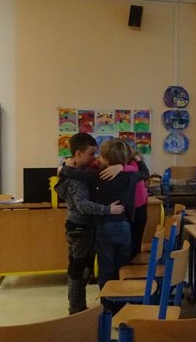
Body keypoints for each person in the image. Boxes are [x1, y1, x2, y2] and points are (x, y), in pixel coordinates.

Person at [54, 133, 124, 315]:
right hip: (80, 228)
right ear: (78, 154)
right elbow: (83, 205)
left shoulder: (76, 171)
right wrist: (108, 209)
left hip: (80, 226)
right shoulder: (77, 178)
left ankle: (78, 307)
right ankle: (76, 310)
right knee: (79, 270)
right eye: (91, 154)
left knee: (81, 268)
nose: (94, 158)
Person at [91, 138, 149, 304]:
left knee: (106, 267)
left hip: (105, 225)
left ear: (106, 158)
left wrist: (64, 168)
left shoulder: (97, 175)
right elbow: (144, 173)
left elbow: (78, 173)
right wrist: (129, 164)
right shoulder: (130, 175)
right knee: (122, 266)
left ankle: (107, 305)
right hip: (124, 224)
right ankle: (121, 302)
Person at [126, 146, 150, 259]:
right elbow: (145, 173)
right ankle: (133, 260)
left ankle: (133, 261)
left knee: (134, 239)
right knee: (133, 239)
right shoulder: (131, 166)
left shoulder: (133, 164)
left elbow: (145, 174)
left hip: (139, 205)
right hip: (134, 205)